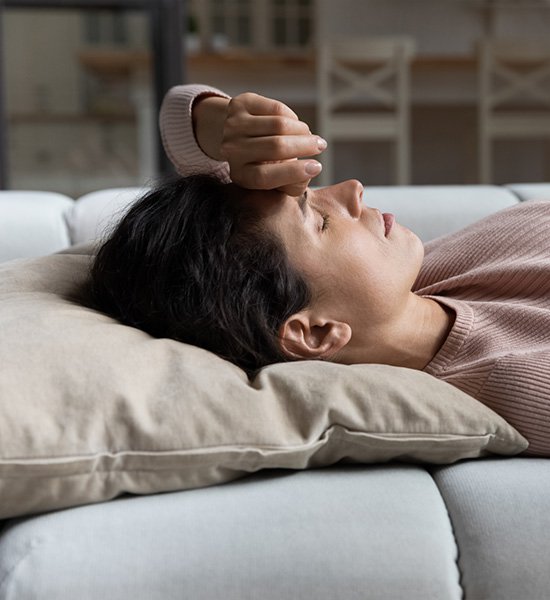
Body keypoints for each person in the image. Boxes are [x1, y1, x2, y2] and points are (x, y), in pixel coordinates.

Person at [90, 84, 550, 456]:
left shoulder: (429, 276)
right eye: (319, 219)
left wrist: (225, 125)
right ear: (315, 332)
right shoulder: (520, 378)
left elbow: (181, 113)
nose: (352, 189)